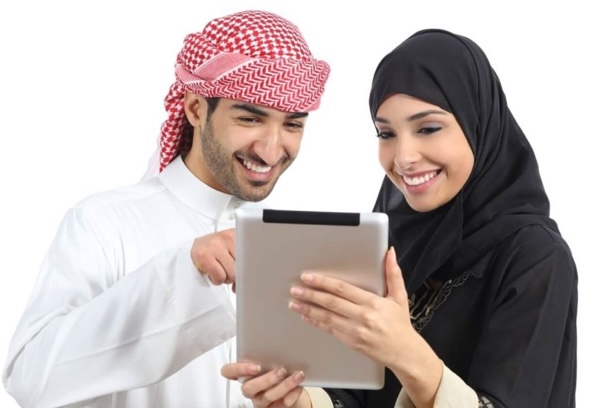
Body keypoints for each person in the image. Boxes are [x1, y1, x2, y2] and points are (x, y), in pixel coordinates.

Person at [221, 29, 578, 408]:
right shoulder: (394, 240)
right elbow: (356, 393)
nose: (404, 157)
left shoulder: (535, 256)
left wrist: (406, 353)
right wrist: (299, 402)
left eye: (428, 128)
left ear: (478, 124)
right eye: (386, 133)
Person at [2, 9, 330, 408]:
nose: (272, 149)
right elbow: (30, 379)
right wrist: (181, 274)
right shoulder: (104, 223)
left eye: (293, 125)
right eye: (249, 118)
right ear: (195, 108)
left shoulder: (297, 243)